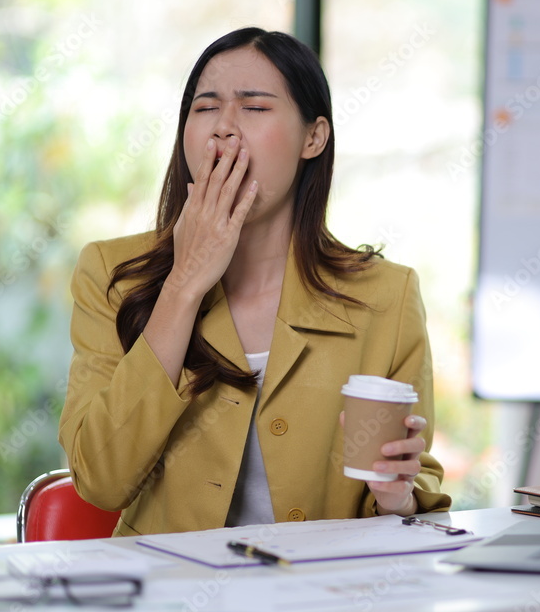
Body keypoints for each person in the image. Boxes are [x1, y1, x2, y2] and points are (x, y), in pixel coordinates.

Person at [59, 27, 451, 536]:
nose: (224, 128)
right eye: (204, 108)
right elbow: (99, 480)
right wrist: (184, 283)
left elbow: (417, 489)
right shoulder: (110, 274)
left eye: (254, 108)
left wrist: (395, 496)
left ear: (314, 137)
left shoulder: (386, 297)